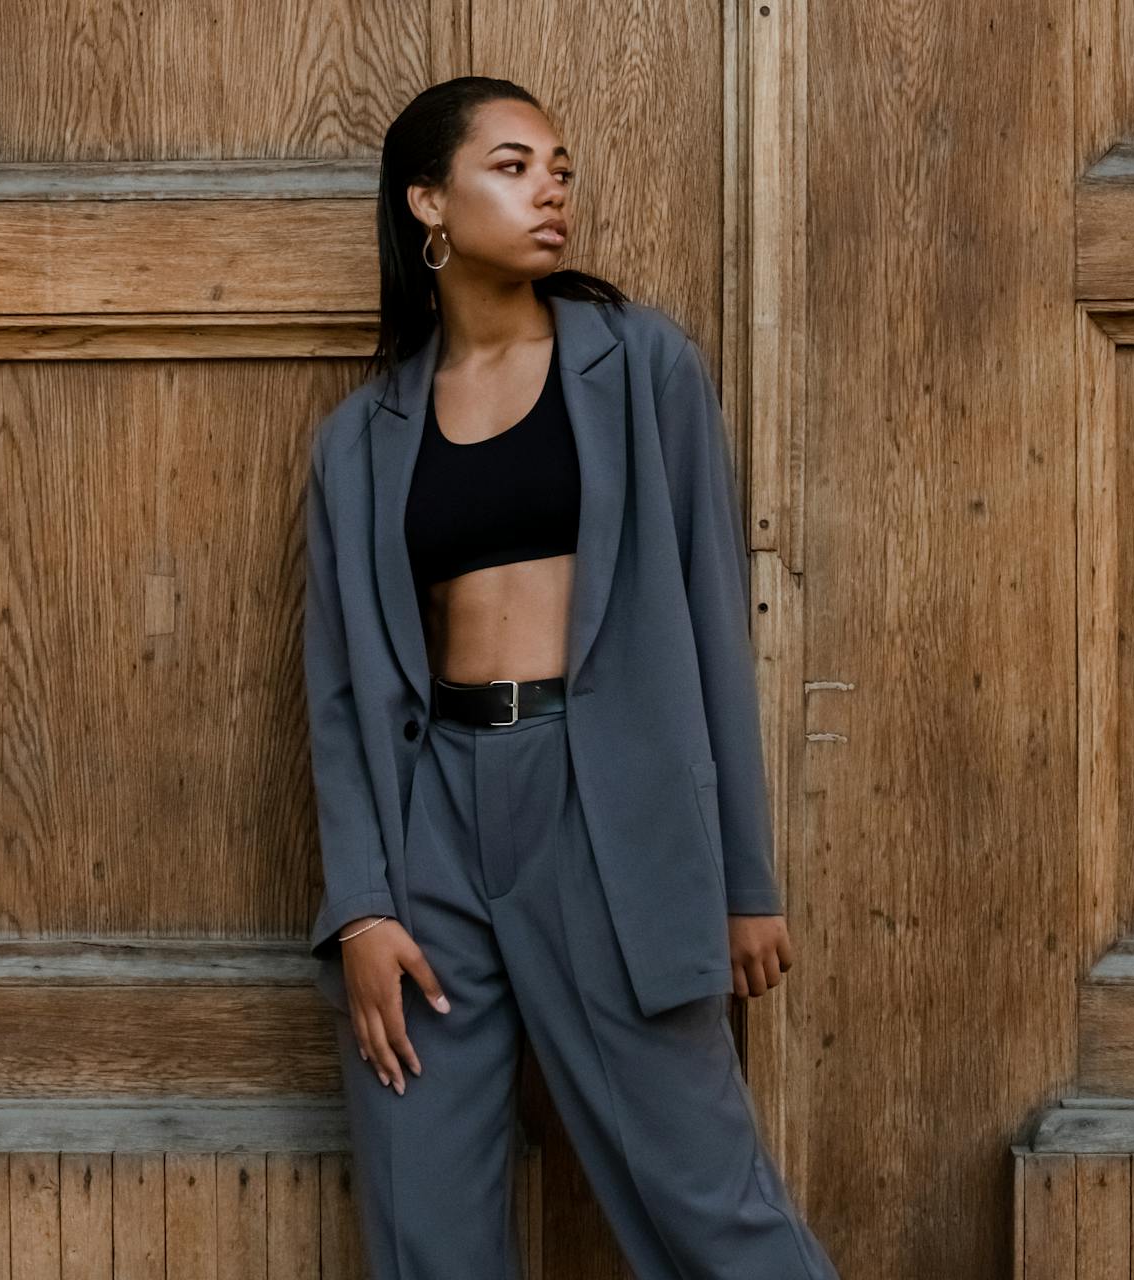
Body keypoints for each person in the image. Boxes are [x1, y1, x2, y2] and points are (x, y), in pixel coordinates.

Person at [302, 74, 841, 1279]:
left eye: (560, 168)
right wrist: (364, 907)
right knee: (423, 1214)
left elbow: (711, 622)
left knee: (710, 1200)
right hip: (429, 826)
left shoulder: (642, 367)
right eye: (512, 164)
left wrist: (744, 881)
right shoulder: (358, 439)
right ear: (427, 205)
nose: (549, 187)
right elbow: (341, 693)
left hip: (608, 816)